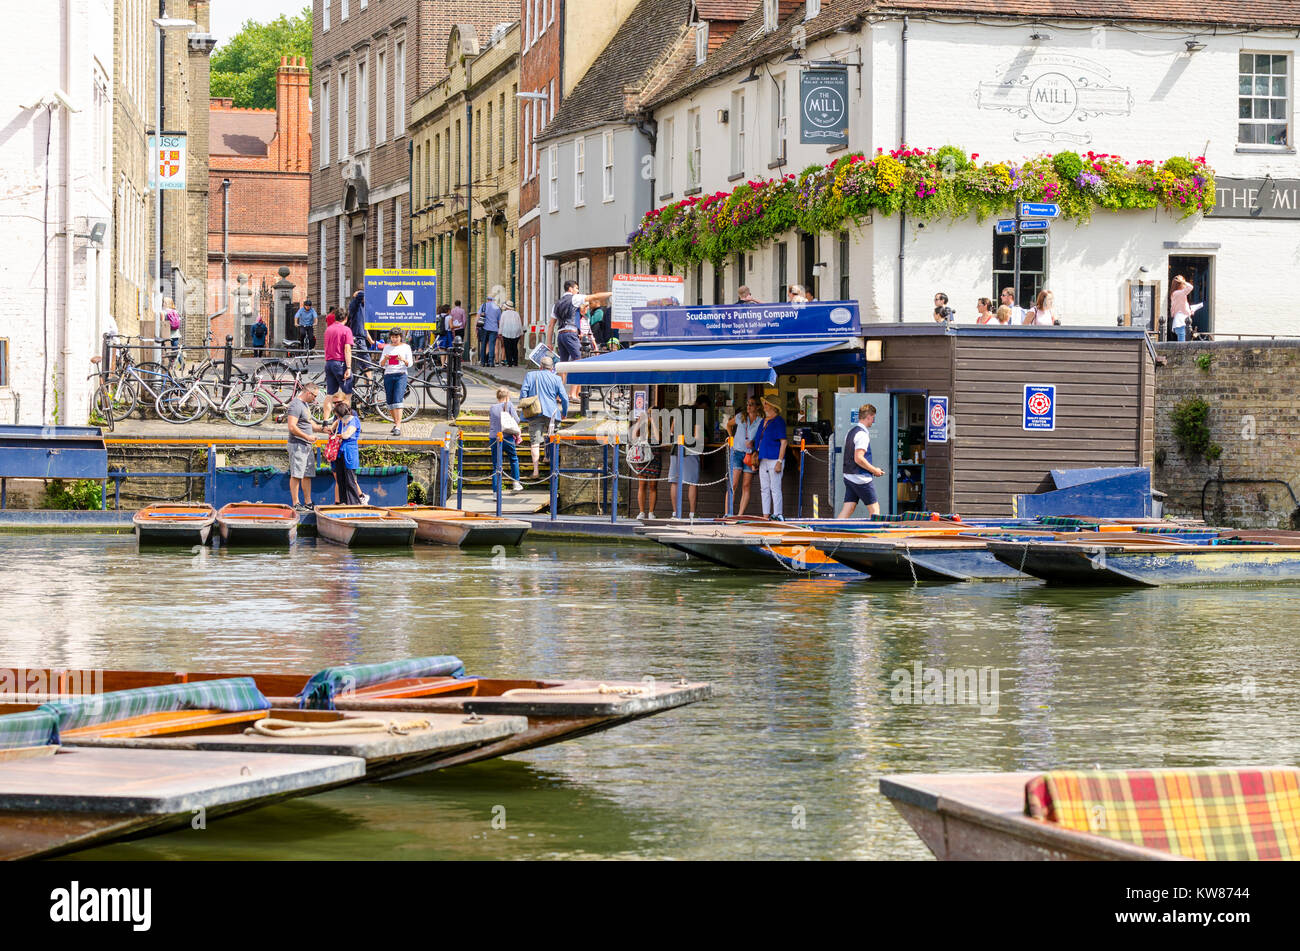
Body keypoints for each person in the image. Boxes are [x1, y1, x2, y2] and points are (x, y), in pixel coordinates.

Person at [549, 280, 612, 399]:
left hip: (560, 335)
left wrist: (549, 342)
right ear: (570, 289)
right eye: (576, 288)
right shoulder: (575, 298)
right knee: (579, 363)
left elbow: (551, 325)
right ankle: (573, 394)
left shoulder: (556, 304)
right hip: (571, 333)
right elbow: (594, 296)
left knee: (562, 366)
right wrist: (611, 293)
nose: (578, 291)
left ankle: (557, 395)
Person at [518, 355, 570, 480]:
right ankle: (552, 467)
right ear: (552, 368)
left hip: (535, 412)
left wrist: (526, 405)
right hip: (552, 413)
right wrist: (564, 413)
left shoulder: (531, 375)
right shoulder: (557, 379)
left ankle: (536, 471)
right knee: (552, 438)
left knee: (535, 442)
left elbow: (523, 393)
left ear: (540, 366)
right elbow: (565, 398)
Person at [838, 403, 887, 518]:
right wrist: (875, 470)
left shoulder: (850, 432)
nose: (873, 421)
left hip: (849, 476)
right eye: (873, 418)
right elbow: (858, 458)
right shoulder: (862, 435)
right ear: (869, 417)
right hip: (861, 479)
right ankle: (874, 533)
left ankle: (833, 531)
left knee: (848, 509)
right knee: (875, 510)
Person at [668, 395, 708, 519]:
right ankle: (692, 514)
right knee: (692, 483)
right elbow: (697, 436)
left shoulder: (679, 409)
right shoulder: (698, 414)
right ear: (702, 405)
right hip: (690, 450)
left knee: (674, 482)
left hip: (675, 449)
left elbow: (672, 431)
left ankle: (675, 513)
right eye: (706, 408)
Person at [286, 380, 324, 510]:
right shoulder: (296, 405)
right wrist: (307, 436)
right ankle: (296, 503)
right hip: (298, 444)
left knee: (307, 474)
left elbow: (310, 424)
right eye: (314, 396)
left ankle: (308, 502)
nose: (315, 399)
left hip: (306, 445)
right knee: (296, 474)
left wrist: (323, 429)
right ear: (308, 393)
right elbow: (292, 427)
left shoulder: (305, 405)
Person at [727, 395, 762, 516]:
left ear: (758, 406)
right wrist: (731, 438)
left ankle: (739, 515)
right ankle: (728, 513)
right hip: (737, 452)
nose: (748, 406)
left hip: (750, 454)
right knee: (733, 484)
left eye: (751, 404)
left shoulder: (761, 420)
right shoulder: (740, 416)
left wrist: (754, 443)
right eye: (747, 404)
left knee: (746, 485)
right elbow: (728, 424)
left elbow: (762, 437)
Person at [756, 397, 788, 520]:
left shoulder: (778, 421)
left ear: (773, 407)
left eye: (767, 403)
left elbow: (784, 442)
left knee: (775, 488)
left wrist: (779, 461)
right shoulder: (763, 421)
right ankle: (765, 516)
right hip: (763, 459)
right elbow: (758, 440)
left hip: (775, 459)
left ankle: (778, 514)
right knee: (764, 488)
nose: (764, 405)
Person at [632, 391, 663, 519]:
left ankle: (651, 512)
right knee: (642, 484)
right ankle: (641, 512)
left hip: (654, 456)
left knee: (653, 485)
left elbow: (657, 438)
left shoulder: (660, 426)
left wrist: (654, 422)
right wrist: (640, 422)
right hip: (643, 454)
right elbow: (633, 436)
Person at [328, 396, 363, 505]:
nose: (337, 418)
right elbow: (331, 429)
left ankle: (354, 503)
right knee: (341, 479)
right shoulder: (339, 421)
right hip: (339, 453)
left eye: (338, 416)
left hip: (349, 453)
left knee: (350, 480)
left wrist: (338, 435)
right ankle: (343, 502)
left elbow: (347, 435)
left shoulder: (354, 421)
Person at [488, 388, 524, 492]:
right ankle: (516, 483)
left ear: (497, 397)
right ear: (507, 397)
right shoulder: (509, 405)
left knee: (496, 465)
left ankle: (496, 492)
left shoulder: (492, 407)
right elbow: (517, 420)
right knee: (513, 458)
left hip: (494, 438)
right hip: (507, 437)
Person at [379, 327, 413, 436]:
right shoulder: (387, 348)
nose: (394, 339)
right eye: (393, 337)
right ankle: (396, 423)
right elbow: (381, 364)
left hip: (401, 374)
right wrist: (386, 359)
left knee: (398, 399)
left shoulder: (406, 347)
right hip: (388, 375)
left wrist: (403, 359)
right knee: (390, 402)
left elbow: (410, 363)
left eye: (396, 337)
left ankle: (398, 426)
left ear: (400, 337)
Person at [323, 306, 355, 401]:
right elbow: (347, 349)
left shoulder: (328, 330)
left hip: (329, 363)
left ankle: (326, 416)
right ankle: (345, 416)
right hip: (340, 363)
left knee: (330, 394)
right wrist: (348, 368)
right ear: (346, 318)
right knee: (347, 394)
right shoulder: (346, 330)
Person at [498, 300, 524, 366]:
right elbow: (519, 323)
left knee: (507, 348)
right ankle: (515, 362)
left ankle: (509, 363)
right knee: (514, 347)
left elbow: (501, 324)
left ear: (506, 307)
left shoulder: (504, 314)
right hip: (516, 332)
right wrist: (521, 333)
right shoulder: (516, 313)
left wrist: (500, 332)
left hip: (506, 332)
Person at [1170, 275, 1194, 341]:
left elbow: (1179, 308)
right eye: (1182, 284)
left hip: (1180, 320)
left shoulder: (1175, 293)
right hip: (1181, 321)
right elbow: (1190, 287)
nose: (1184, 285)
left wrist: (1190, 311)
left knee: (1182, 344)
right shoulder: (1179, 293)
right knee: (1182, 344)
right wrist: (1183, 281)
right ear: (1179, 284)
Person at [480, 294, 501, 367]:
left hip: (485, 328)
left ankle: (482, 362)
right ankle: (491, 362)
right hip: (494, 328)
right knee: (492, 345)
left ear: (488, 299)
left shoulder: (484, 305)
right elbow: (499, 321)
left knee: (483, 344)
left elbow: (478, 316)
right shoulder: (497, 308)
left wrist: (475, 327)